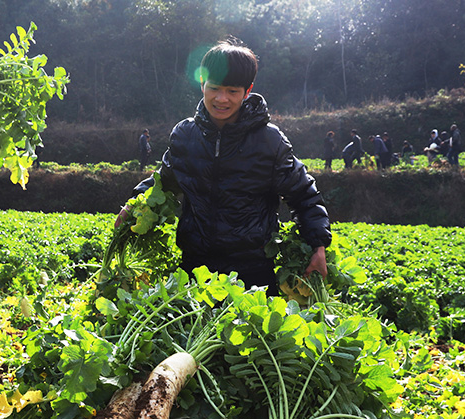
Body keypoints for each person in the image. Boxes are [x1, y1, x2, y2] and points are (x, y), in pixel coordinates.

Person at [115, 40, 330, 296]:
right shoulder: (185, 135)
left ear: (247, 90)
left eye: (232, 91)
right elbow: (164, 182)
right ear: (202, 83)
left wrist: (318, 246)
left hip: (253, 272)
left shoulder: (269, 141)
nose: (221, 99)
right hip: (196, 267)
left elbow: (304, 194)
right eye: (214, 88)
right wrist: (134, 204)